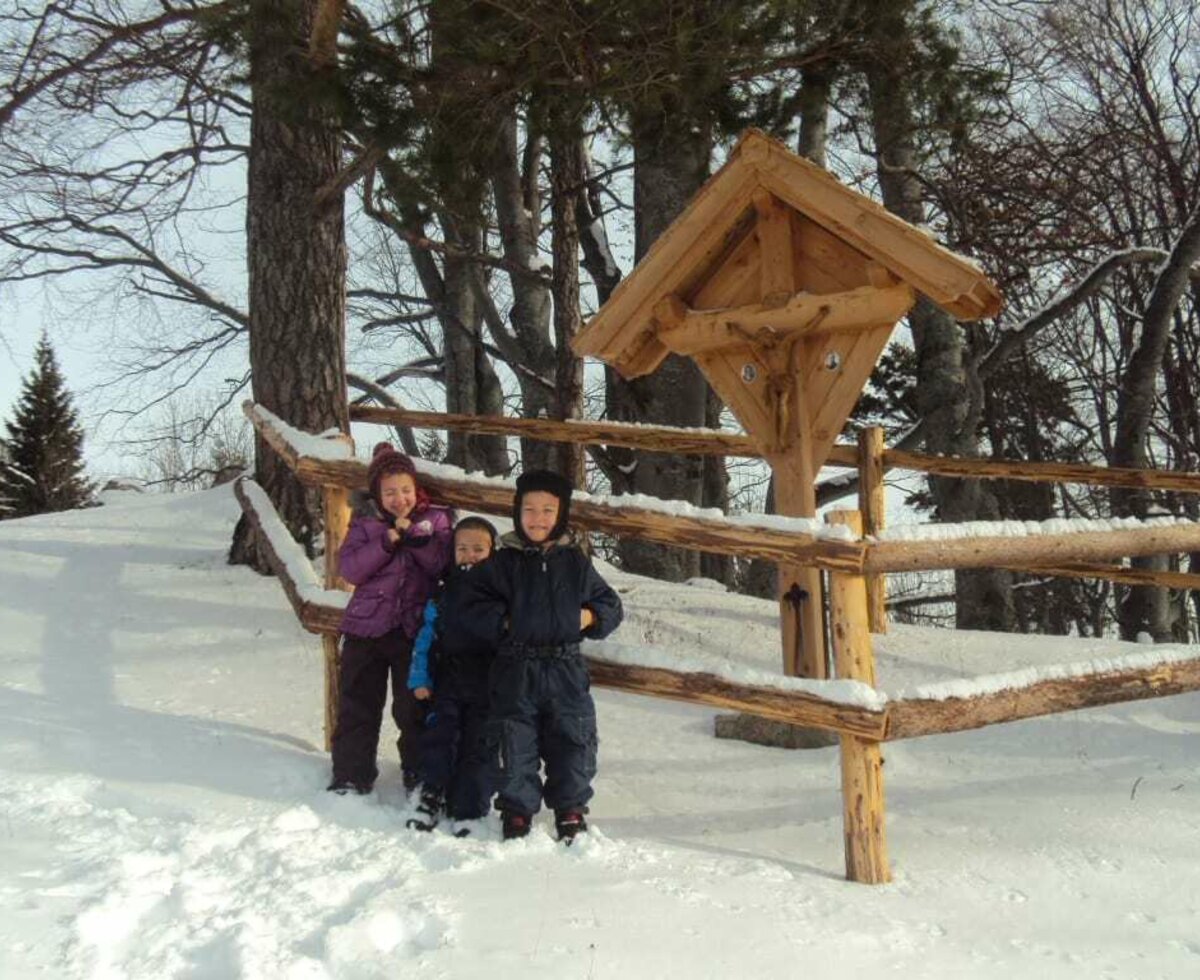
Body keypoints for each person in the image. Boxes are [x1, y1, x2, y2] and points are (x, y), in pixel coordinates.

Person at [467, 469, 623, 842]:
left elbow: (610, 606)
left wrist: (588, 616)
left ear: (561, 514)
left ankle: (570, 809)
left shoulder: (574, 563)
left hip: (566, 667)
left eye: (548, 511)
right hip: (515, 668)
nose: (538, 519)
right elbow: (469, 606)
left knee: (573, 738)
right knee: (514, 740)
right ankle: (517, 811)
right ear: (517, 512)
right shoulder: (503, 563)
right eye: (530, 510)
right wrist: (503, 623)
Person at [327, 443, 452, 795]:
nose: (400, 499)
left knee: (412, 706)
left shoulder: (436, 520)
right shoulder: (366, 523)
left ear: (417, 489)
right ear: (378, 495)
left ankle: (420, 774)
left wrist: (415, 539)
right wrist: (386, 541)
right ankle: (352, 775)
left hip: (412, 630)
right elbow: (350, 569)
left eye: (406, 490)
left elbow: (441, 564)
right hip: (365, 628)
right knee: (358, 704)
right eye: (390, 492)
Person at [405, 516, 500, 835]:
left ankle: (469, 808)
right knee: (439, 737)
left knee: (480, 744)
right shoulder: (444, 592)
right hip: (448, 681)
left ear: (492, 552)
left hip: (488, 686)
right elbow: (425, 637)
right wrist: (420, 678)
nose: (469, 555)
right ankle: (430, 795)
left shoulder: (502, 593)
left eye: (478, 549)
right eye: (462, 548)